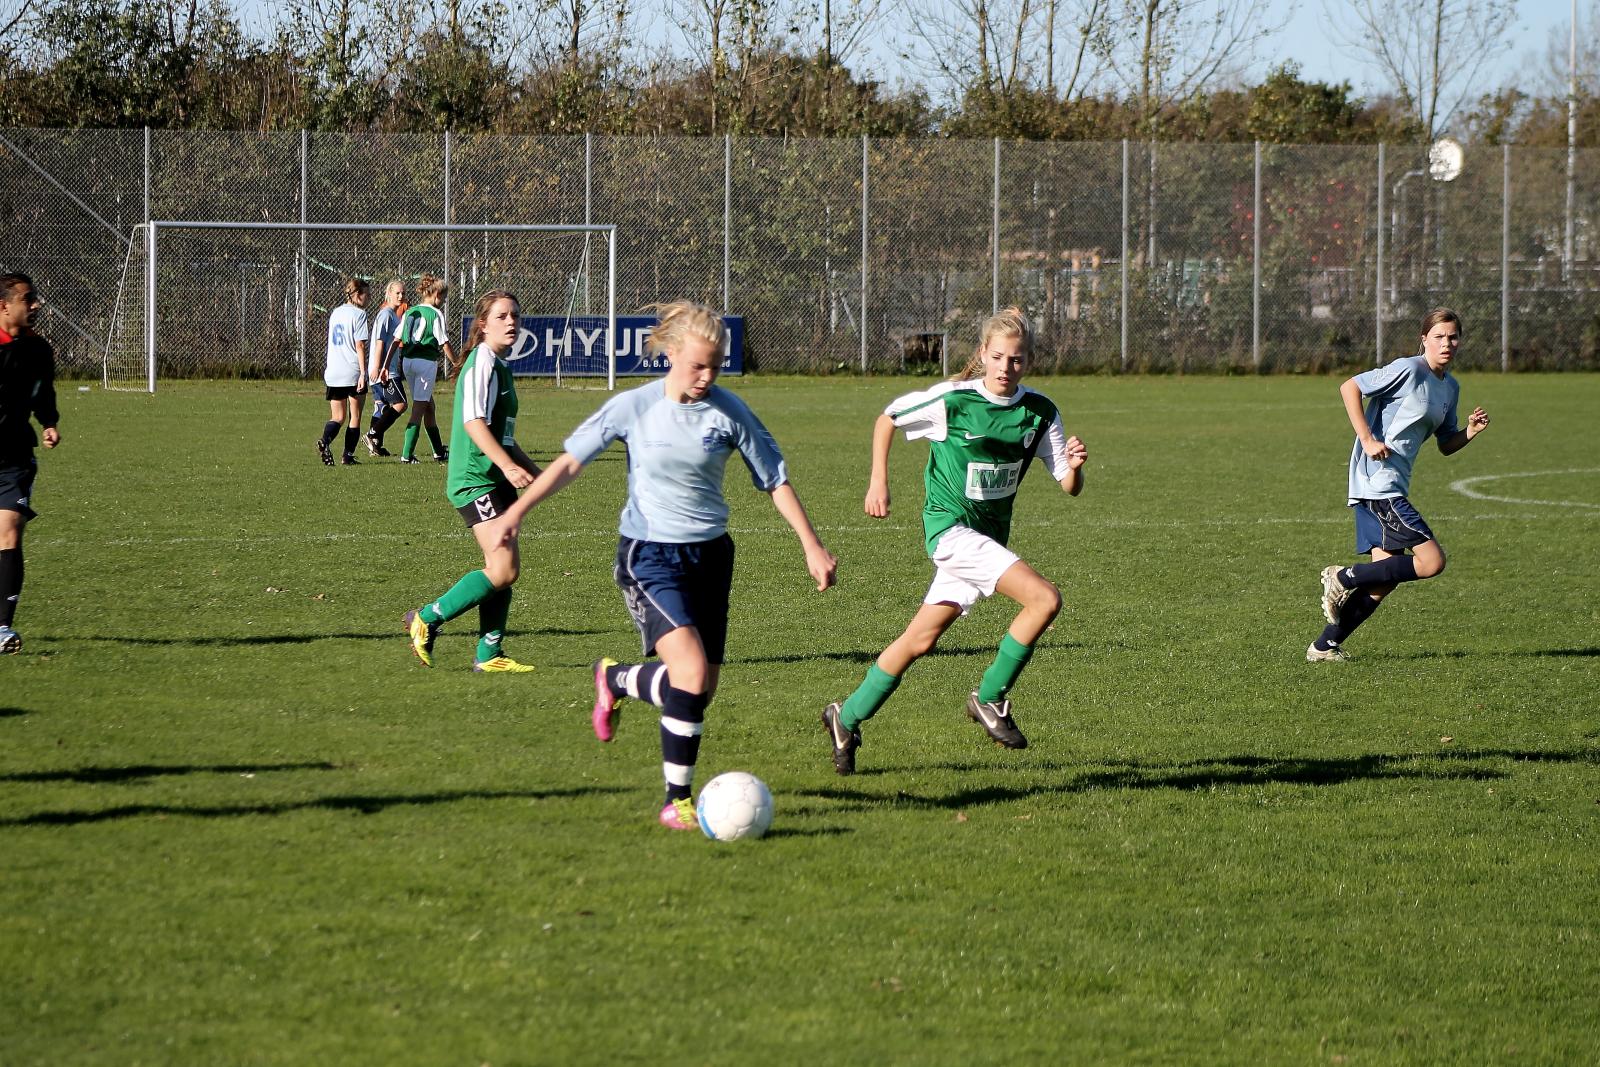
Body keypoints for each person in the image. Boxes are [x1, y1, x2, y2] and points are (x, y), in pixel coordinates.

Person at [483, 300, 837, 830]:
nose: (707, 376)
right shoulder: (634, 406)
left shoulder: (729, 410)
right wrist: (517, 511)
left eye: (716, 365)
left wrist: (811, 545)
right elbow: (571, 462)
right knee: (689, 675)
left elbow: (774, 480)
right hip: (649, 554)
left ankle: (616, 679)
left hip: (712, 556)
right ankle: (678, 800)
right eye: (697, 365)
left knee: (700, 688)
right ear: (670, 355)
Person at [821, 307, 1087, 775]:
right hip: (949, 532)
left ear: (1029, 361)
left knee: (920, 639)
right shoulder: (954, 401)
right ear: (983, 354)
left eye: (1017, 360)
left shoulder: (1040, 412)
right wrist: (878, 481)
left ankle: (847, 717)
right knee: (1044, 600)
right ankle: (989, 698)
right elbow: (888, 419)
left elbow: (1067, 483)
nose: (1007, 367)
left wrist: (1076, 465)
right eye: (999, 357)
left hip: (984, 539)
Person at [1308, 307, 1491, 662]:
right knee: (1431, 561)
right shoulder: (1408, 369)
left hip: (1392, 483)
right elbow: (1350, 387)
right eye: (1438, 337)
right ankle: (1342, 577)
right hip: (1378, 481)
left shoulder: (1449, 387)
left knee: (1383, 580)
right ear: (1424, 340)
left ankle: (1324, 645)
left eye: (1452, 336)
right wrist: (1366, 438)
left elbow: (1445, 443)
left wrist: (1469, 432)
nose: (1446, 343)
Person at [404, 290, 542, 674]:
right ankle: (428, 618)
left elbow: (506, 437)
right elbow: (474, 423)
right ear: (482, 324)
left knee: (500, 567)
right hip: (474, 479)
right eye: (502, 316)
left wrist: (533, 471)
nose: (512, 321)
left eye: (516, 314)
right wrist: (508, 466)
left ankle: (489, 654)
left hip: (494, 476)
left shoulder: (500, 366)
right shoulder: (481, 362)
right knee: (503, 569)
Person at [0, 273, 59, 655]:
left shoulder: (38, 349)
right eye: (28, 299)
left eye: (34, 298)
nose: (35, 305)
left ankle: (2, 628)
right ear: (4, 307)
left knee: (9, 529)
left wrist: (49, 421)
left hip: (13, 457)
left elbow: (42, 390)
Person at [395, 274, 456, 464]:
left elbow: (398, 339)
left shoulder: (410, 311)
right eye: (444, 298)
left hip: (408, 362)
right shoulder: (435, 314)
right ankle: (406, 455)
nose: (444, 302)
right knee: (419, 408)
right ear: (436, 294)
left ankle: (438, 451)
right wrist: (457, 365)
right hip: (425, 363)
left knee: (429, 406)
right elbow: (444, 343)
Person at [317, 277, 369, 466]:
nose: (368, 299)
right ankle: (347, 456)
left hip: (334, 371)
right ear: (357, 295)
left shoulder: (335, 313)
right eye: (366, 295)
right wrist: (364, 373)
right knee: (354, 416)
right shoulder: (359, 315)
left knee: (337, 417)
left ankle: (325, 441)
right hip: (352, 372)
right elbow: (360, 345)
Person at [364, 278, 409, 456]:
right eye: (397, 292)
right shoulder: (386, 314)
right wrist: (378, 367)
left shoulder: (393, 315)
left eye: (403, 293)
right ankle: (372, 433)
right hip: (385, 371)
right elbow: (380, 343)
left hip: (380, 369)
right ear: (388, 294)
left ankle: (374, 446)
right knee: (401, 404)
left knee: (380, 406)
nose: (400, 295)